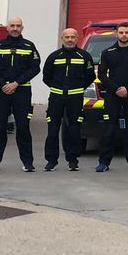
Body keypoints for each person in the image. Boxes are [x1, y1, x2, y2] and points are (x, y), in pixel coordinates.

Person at [0, 17, 41, 173]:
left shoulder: (29, 46)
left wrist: (16, 83)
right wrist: (3, 84)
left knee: (23, 127)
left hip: (22, 91)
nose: (15, 28)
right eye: (12, 26)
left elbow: (35, 68)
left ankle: (28, 163)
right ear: (7, 28)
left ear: (22, 28)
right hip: (1, 92)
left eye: (18, 26)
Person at [95, 22, 128, 172]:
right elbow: (101, 75)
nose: (124, 35)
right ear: (116, 34)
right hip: (112, 95)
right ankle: (104, 162)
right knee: (110, 128)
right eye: (121, 32)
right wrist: (116, 89)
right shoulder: (107, 52)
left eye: (126, 32)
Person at [40, 28, 94, 172]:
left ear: (77, 39)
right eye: (67, 37)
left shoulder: (84, 56)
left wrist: (78, 88)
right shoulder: (54, 56)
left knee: (74, 129)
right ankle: (51, 161)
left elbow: (90, 76)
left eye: (72, 37)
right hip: (56, 97)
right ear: (62, 39)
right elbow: (46, 76)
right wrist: (57, 87)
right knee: (52, 129)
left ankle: (73, 160)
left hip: (75, 97)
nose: (70, 40)